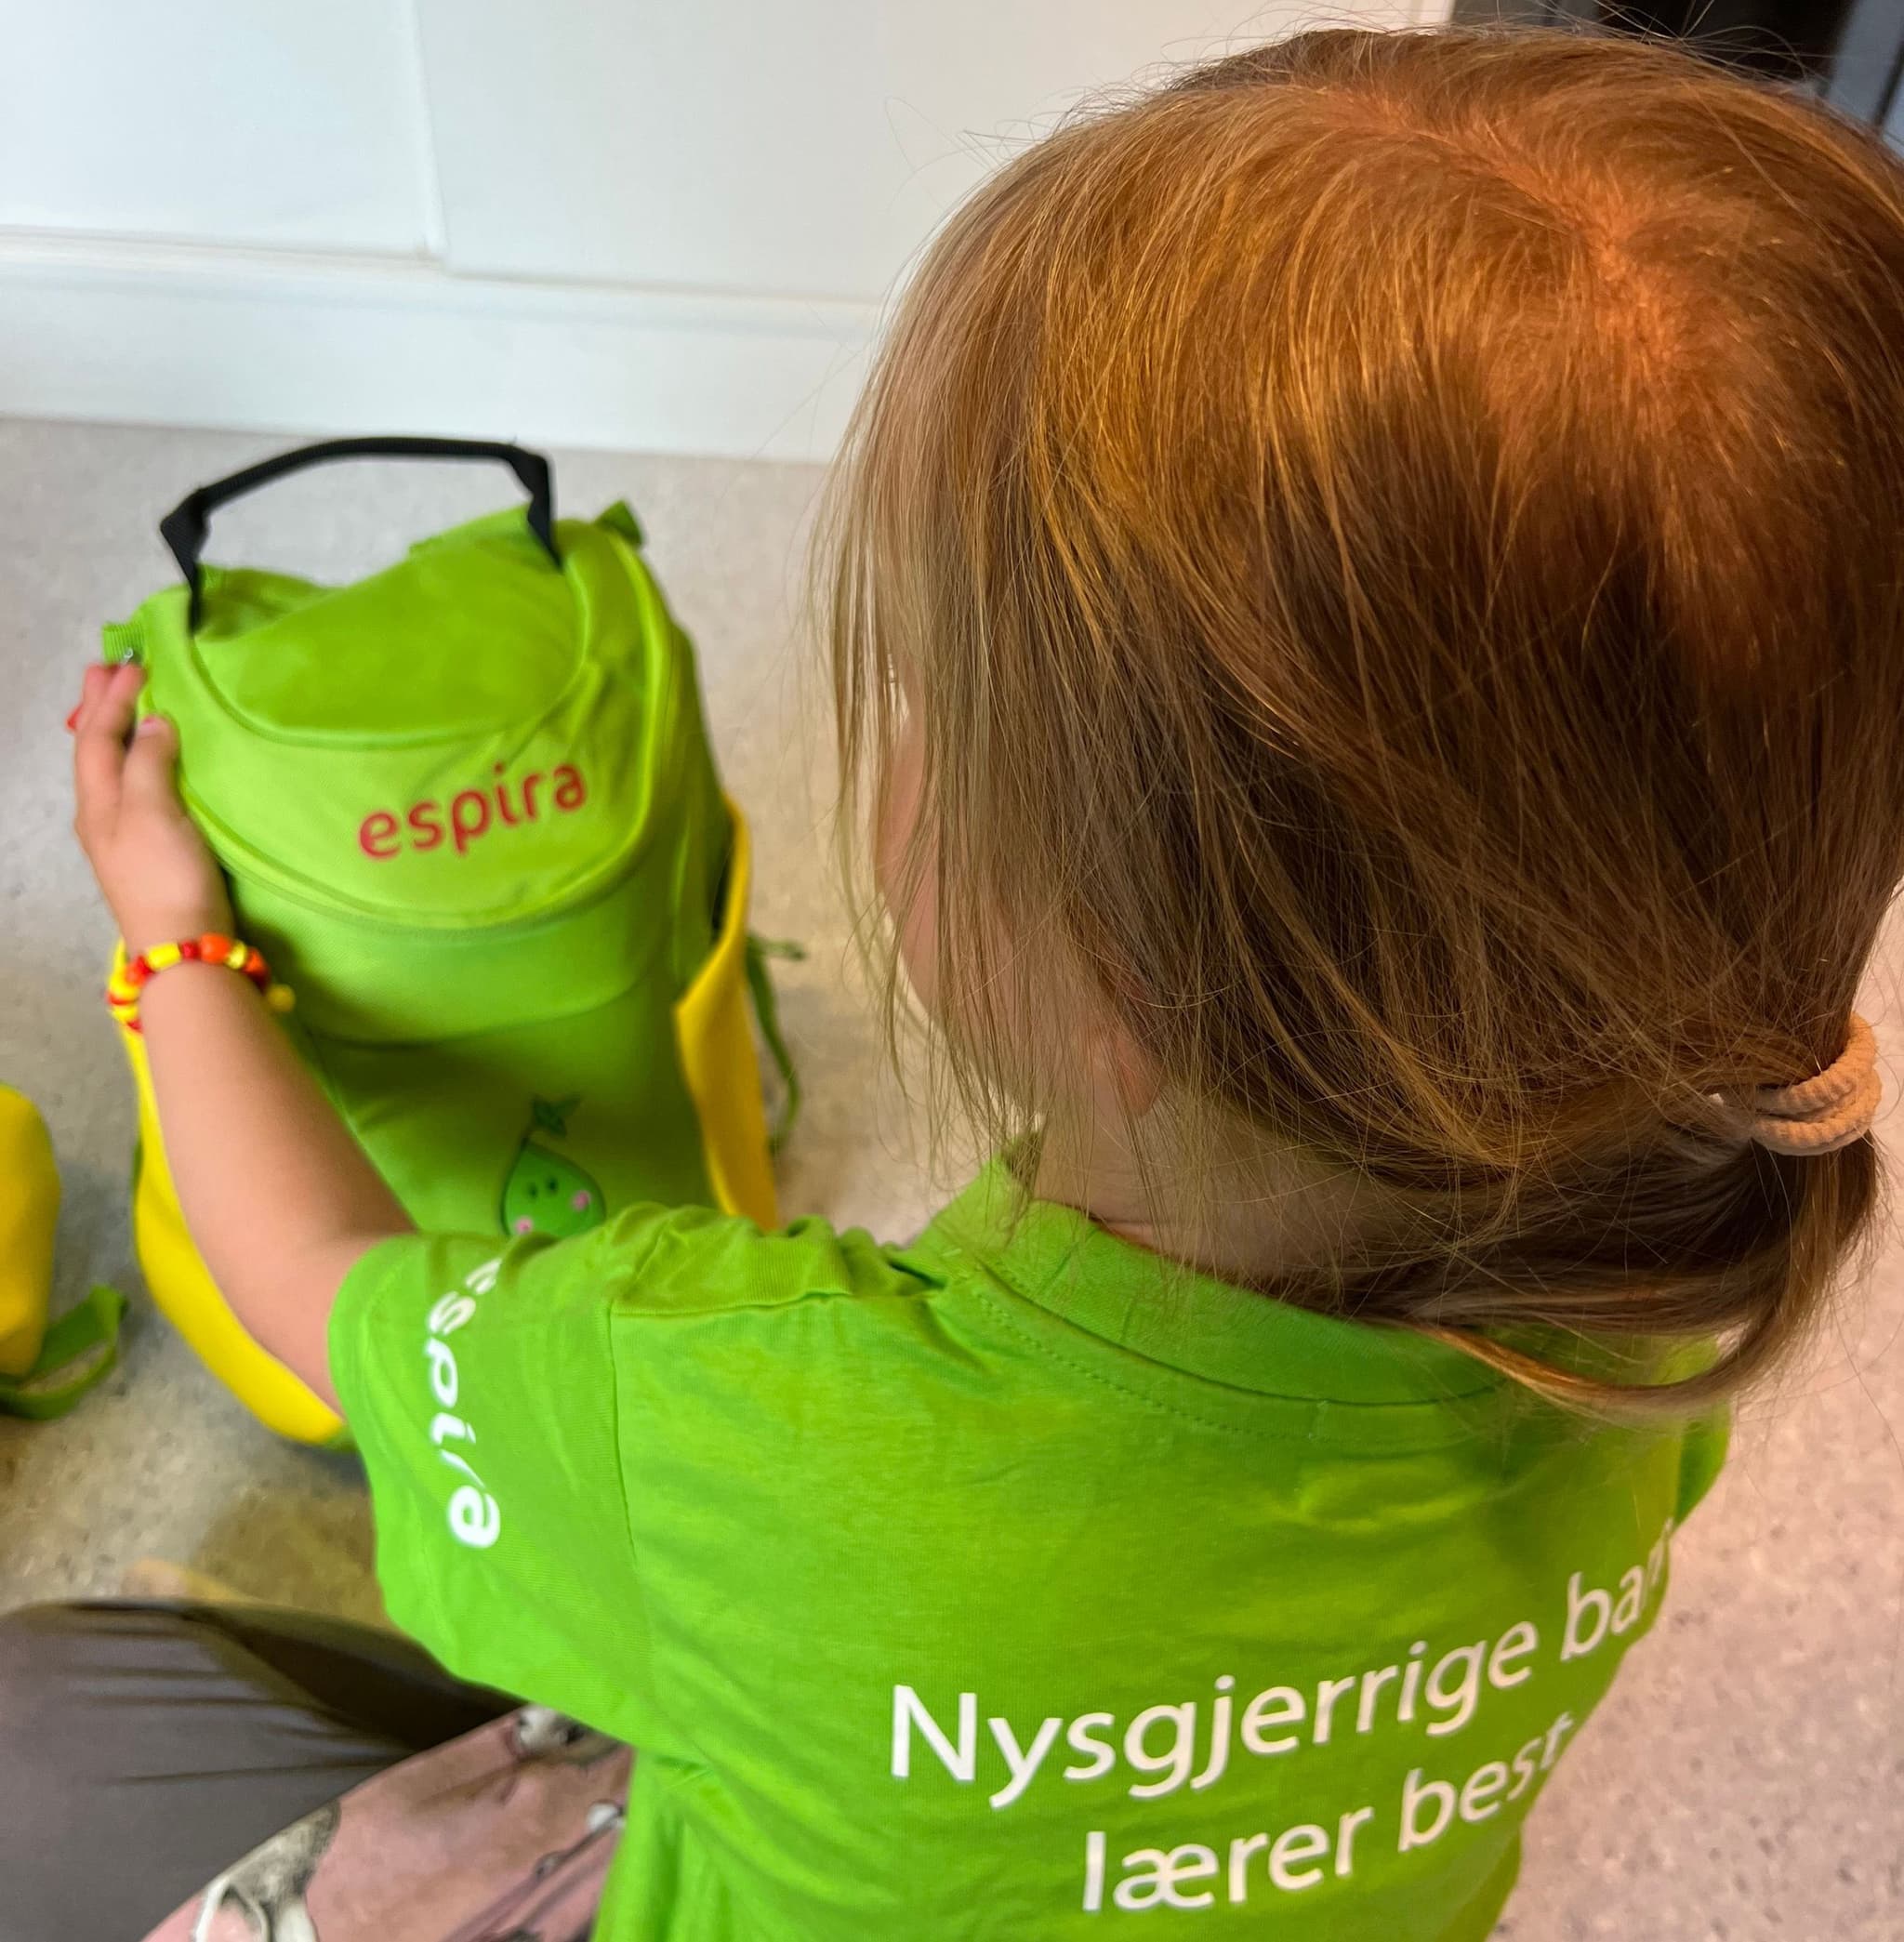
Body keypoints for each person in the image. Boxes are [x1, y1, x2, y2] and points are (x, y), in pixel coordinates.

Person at [7, 22, 1903, 1940]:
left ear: (1097, 976)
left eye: (916, 692)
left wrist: (167, 930)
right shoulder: (1665, 1309)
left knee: (43, 1727)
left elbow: (315, 1291)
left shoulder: (732, 1420)